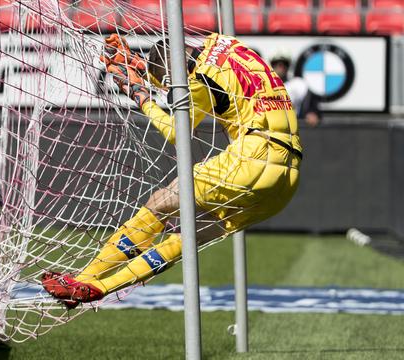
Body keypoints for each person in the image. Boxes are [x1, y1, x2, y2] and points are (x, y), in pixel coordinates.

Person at [42, 33, 302, 308]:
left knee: (160, 204)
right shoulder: (226, 43)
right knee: (190, 234)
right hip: (289, 174)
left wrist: (141, 96)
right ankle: (95, 288)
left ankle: (88, 278)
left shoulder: (199, 78)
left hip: (253, 156)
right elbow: (178, 63)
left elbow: (178, 133)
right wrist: (143, 67)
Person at [270, 51, 321, 127]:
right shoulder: (262, 85)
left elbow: (311, 103)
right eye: (276, 63)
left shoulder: (298, 84)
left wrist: (312, 112)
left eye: (285, 63)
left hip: (292, 127)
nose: (280, 66)